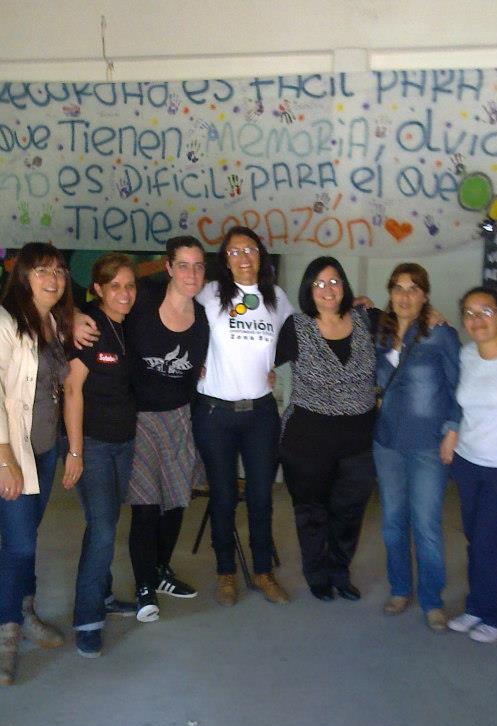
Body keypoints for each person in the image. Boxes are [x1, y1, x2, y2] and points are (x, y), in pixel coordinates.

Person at [0, 242, 73, 685]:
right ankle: (5, 630)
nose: (52, 279)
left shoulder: (53, 323)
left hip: (43, 451)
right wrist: (6, 463)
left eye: (58, 271)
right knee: (19, 544)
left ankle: (25, 611)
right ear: (23, 277)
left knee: (27, 537)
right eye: (42, 270)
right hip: (7, 456)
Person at [193, 227, 293, 607]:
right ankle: (226, 573)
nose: (243, 257)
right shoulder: (210, 293)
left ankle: (263, 572)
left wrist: (360, 308)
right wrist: (193, 362)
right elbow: (175, 312)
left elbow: (302, 333)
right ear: (225, 259)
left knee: (260, 496)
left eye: (249, 249)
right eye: (234, 251)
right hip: (215, 413)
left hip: (260, 414)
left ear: (260, 254)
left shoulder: (277, 298)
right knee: (222, 497)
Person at [276, 257, 376, 600]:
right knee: (311, 513)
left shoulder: (367, 319)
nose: (327, 290)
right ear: (308, 290)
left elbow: (409, 323)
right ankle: (316, 574)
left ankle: (340, 571)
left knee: (349, 513)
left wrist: (434, 317)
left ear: (344, 285)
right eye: (318, 284)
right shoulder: (296, 327)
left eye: (334, 281)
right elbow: (257, 354)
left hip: (358, 442)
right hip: (307, 441)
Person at [125, 236, 208, 621]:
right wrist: (78, 319)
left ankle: (160, 571)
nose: (192, 274)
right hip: (141, 417)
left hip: (180, 417)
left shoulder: (203, 318)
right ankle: (144, 585)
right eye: (184, 265)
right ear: (169, 267)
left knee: (175, 502)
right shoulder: (142, 300)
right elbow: (103, 307)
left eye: (198, 266)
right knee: (145, 506)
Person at [441, 287, 497, 643]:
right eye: (469, 313)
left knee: (489, 544)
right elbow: (459, 405)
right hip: (467, 461)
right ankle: (477, 607)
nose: (477, 319)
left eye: (485, 311)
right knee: (475, 540)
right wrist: (452, 435)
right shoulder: (466, 355)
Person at [374, 263, 461, 630]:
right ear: (390, 293)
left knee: (425, 523)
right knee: (393, 521)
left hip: (427, 445)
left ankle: (431, 600)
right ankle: (400, 589)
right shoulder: (381, 333)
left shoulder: (441, 334)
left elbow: (459, 384)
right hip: (387, 443)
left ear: (425, 295)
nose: (405, 296)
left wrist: (453, 429)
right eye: (398, 288)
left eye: (413, 289)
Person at [63, 253, 138, 658]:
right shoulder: (89, 327)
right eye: (115, 287)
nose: (124, 293)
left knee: (106, 522)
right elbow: (72, 390)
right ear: (98, 290)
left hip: (124, 443)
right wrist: (75, 452)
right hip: (92, 444)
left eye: (129, 285)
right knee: (104, 528)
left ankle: (103, 595)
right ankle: (87, 619)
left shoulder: (126, 324)